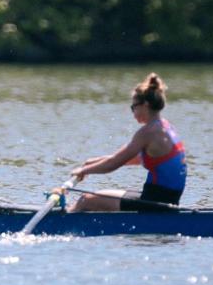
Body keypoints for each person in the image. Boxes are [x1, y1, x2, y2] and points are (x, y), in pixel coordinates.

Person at [67, 72, 186, 212]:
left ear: (145, 105)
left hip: (154, 203)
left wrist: (82, 170)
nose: (133, 112)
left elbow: (113, 163)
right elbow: (133, 158)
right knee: (98, 195)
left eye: (133, 107)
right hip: (164, 200)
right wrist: (92, 163)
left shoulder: (148, 133)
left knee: (85, 200)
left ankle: (59, 225)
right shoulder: (165, 127)